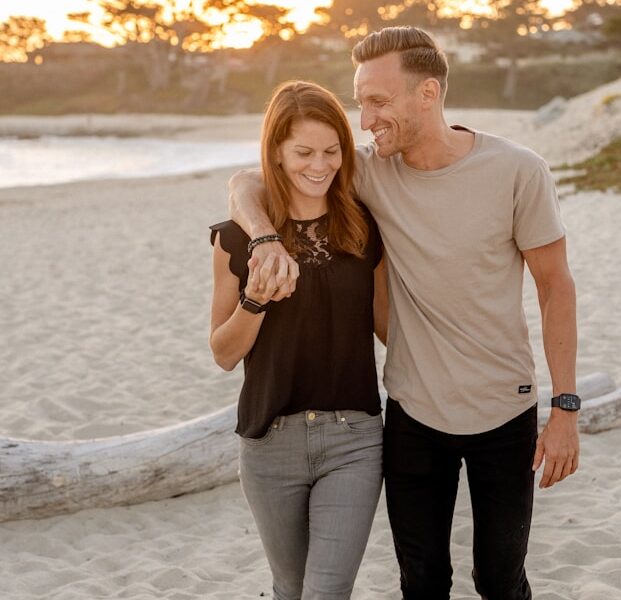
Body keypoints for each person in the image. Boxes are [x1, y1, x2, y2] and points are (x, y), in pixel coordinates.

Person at [228, 27, 580, 600]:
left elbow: (555, 287)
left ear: (428, 94)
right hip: (413, 416)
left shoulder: (520, 170)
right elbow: (247, 182)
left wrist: (565, 407)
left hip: (504, 409)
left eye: (379, 102)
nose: (365, 121)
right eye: (362, 102)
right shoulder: (368, 172)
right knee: (421, 581)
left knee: (500, 578)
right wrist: (265, 240)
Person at [209, 80, 388, 600]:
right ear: (277, 154)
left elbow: (387, 328)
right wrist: (256, 300)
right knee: (290, 588)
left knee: (327, 589)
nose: (320, 164)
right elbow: (223, 353)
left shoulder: (364, 229)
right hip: (269, 442)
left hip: (353, 437)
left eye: (332, 151)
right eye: (304, 152)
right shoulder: (236, 239)